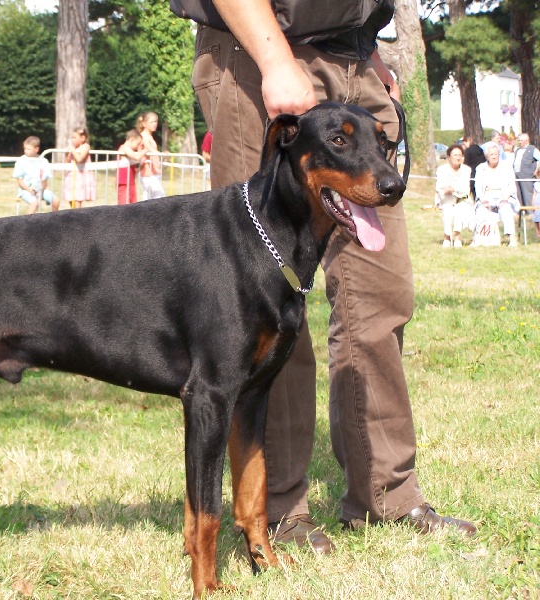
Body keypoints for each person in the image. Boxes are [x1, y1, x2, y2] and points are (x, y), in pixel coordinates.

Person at [172, 0, 476, 555]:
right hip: (261, 54)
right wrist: (274, 58)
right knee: (263, 309)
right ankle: (278, 510)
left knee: (381, 293)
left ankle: (387, 494)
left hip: (355, 60)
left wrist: (371, 52)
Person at [474, 144, 519, 247]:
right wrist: (482, 199)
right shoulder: (480, 168)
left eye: (496, 154)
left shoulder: (507, 167)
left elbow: (511, 186)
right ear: (486, 156)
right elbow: (478, 187)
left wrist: (505, 198)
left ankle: (512, 239)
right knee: (481, 210)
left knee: (505, 209)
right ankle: (479, 239)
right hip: (487, 196)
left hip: (504, 196)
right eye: (491, 154)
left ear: (499, 154)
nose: (494, 156)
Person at [434, 144, 474, 247]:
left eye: (459, 155)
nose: (457, 157)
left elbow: (465, 188)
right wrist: (448, 190)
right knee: (447, 211)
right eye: (455, 155)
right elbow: (440, 186)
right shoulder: (441, 169)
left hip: (462, 199)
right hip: (446, 198)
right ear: (448, 157)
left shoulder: (466, 170)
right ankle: (447, 238)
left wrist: (453, 189)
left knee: (459, 210)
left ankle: (457, 238)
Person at [14, 136, 60, 214]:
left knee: (56, 200)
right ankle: (28, 223)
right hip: (25, 190)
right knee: (35, 203)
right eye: (25, 148)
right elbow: (19, 181)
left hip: (41, 190)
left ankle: (52, 221)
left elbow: (44, 181)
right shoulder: (21, 161)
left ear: (37, 149)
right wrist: (29, 190)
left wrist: (40, 191)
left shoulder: (43, 161)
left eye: (28, 149)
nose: (25, 151)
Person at [63, 127, 96, 209]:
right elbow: (68, 161)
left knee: (77, 199)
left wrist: (73, 150)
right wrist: (67, 154)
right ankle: (72, 217)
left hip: (80, 177)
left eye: (75, 137)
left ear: (83, 138)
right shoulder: (74, 148)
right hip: (71, 176)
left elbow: (79, 159)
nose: (73, 140)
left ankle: (77, 219)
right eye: (72, 138)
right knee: (70, 199)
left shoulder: (85, 146)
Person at [137, 111, 165, 200]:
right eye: (152, 122)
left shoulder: (149, 136)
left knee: (149, 199)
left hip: (153, 172)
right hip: (148, 173)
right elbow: (150, 149)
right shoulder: (143, 136)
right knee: (160, 198)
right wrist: (163, 154)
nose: (154, 124)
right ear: (144, 124)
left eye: (156, 122)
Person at [116, 129, 147, 205]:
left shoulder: (130, 150)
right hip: (123, 183)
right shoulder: (124, 148)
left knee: (133, 204)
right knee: (124, 205)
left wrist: (141, 167)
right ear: (131, 140)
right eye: (137, 144)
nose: (137, 146)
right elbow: (136, 157)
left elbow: (134, 168)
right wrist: (146, 150)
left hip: (131, 182)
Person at [513, 133, 540, 207]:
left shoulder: (533, 150)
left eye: (521, 140)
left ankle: (530, 214)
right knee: (518, 197)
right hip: (517, 177)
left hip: (527, 177)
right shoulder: (517, 150)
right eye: (519, 140)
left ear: (526, 141)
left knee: (528, 197)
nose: (519, 142)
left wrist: (537, 170)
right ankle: (521, 214)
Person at [532, 163, 540, 238]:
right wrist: (532, 205)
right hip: (537, 203)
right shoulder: (536, 184)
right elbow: (534, 195)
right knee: (536, 218)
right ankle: (537, 232)